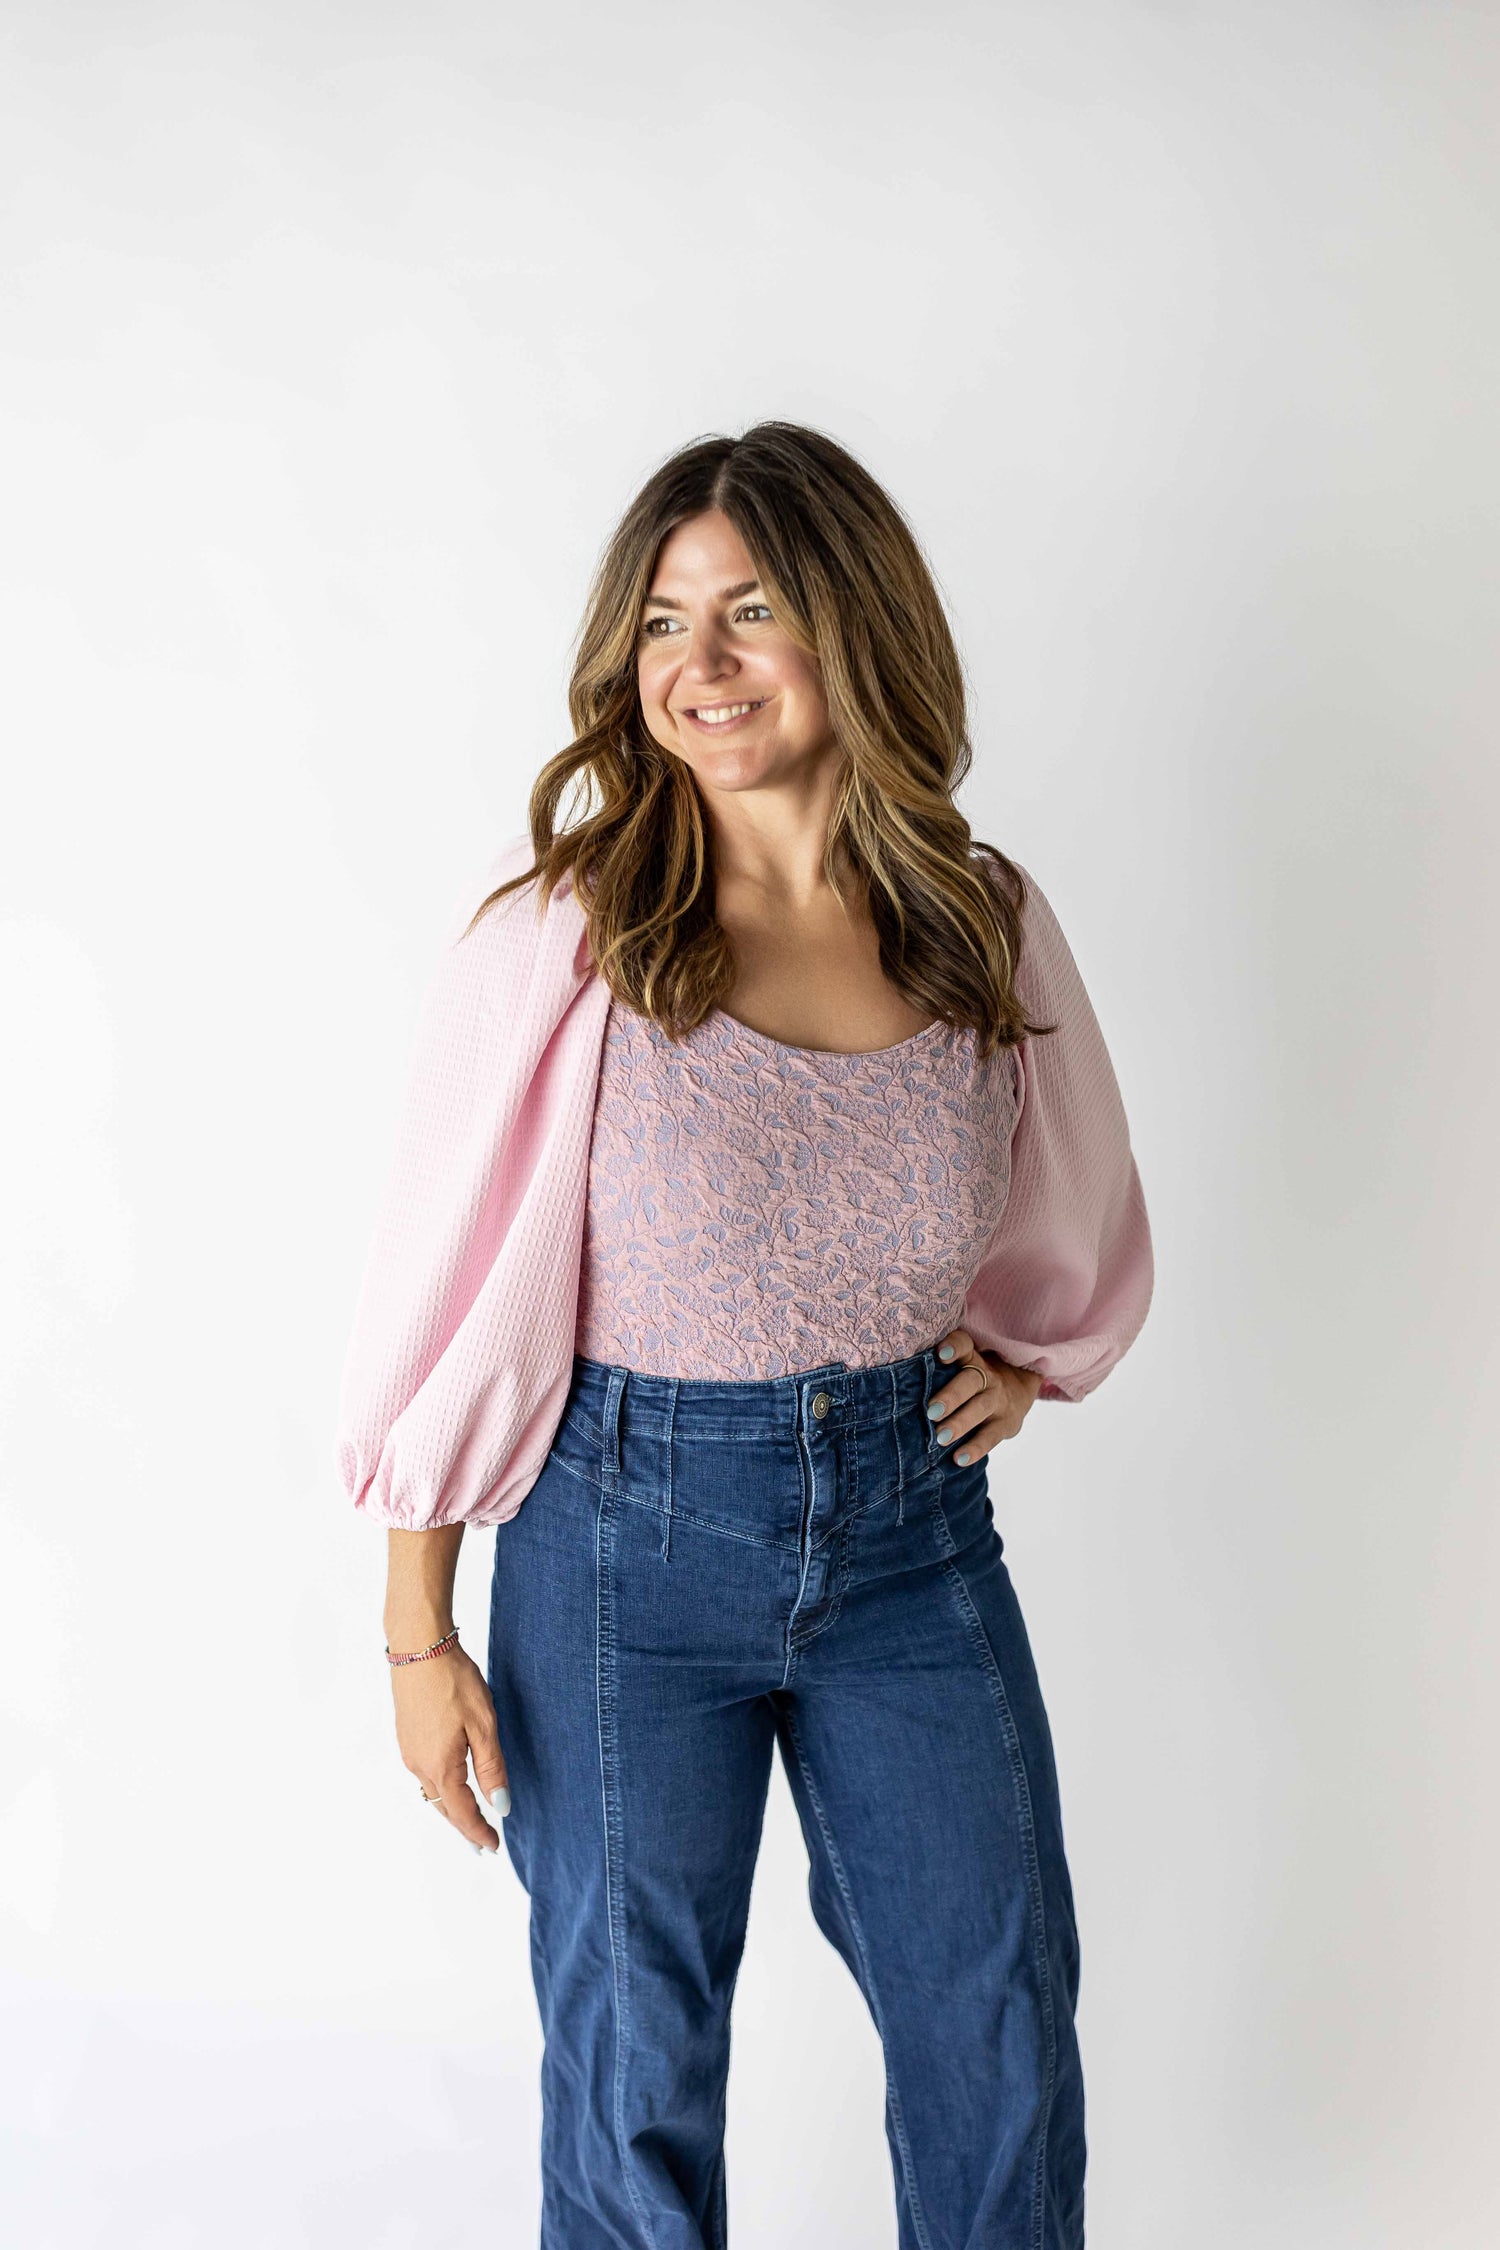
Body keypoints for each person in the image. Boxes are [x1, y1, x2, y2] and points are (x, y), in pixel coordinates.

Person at [334, 419, 1154, 2249]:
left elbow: (1068, 1187)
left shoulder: (979, 925)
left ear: (851, 623)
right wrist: (417, 1631)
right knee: (633, 2079)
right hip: (620, 1542)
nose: (694, 668)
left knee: (998, 2033)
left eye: (750, 609)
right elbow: (459, 1295)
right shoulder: (573, 943)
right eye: (660, 623)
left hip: (911, 1541)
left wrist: (1027, 1358)